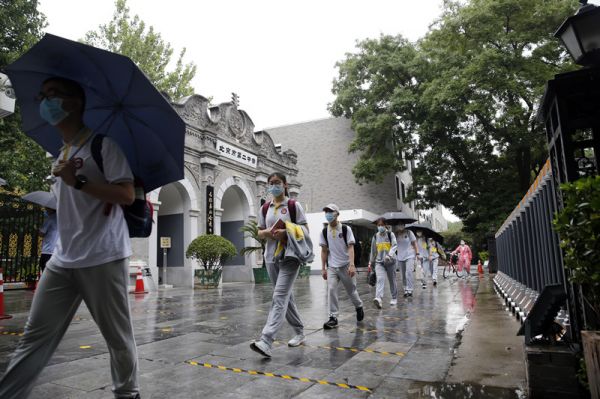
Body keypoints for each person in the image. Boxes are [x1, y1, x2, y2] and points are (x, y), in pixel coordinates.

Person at [0, 77, 140, 399]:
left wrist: (77, 182)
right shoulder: (60, 153)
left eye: (53, 95)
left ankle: (128, 393)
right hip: (63, 258)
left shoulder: (103, 146)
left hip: (103, 256)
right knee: (34, 336)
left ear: (75, 102)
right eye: (43, 95)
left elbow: (127, 194)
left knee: (117, 338)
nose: (46, 102)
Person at [250, 172, 311, 358]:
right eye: (271, 183)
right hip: (271, 257)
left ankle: (266, 340)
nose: (274, 186)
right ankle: (300, 332)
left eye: (277, 182)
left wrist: (286, 231)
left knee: (279, 296)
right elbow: (259, 232)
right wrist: (268, 232)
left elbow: (305, 229)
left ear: (285, 185)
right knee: (285, 296)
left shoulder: (293, 205)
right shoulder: (265, 208)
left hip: (290, 256)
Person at [320, 204, 364, 329]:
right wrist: (323, 268)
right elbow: (324, 251)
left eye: (330, 211)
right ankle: (333, 317)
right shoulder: (324, 231)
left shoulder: (345, 229)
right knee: (332, 289)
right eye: (326, 211)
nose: (328, 214)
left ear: (337, 214)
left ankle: (359, 306)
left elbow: (351, 247)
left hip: (346, 265)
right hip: (332, 266)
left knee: (351, 291)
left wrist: (352, 264)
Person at [368, 217, 398, 308]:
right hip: (379, 262)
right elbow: (373, 251)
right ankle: (379, 298)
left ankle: (394, 297)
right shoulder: (375, 236)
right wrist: (371, 263)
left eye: (381, 225)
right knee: (380, 279)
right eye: (378, 225)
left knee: (391, 280)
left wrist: (389, 255)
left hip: (390, 262)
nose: (380, 226)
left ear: (385, 225)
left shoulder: (390, 234)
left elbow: (394, 245)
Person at [395, 223, 420, 297]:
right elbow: (393, 245)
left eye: (401, 224)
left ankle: (410, 289)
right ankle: (405, 288)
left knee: (409, 272)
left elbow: (415, 243)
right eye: (399, 224)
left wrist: (417, 253)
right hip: (400, 256)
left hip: (410, 255)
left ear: (404, 225)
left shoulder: (409, 232)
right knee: (403, 275)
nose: (400, 225)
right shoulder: (395, 234)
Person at [38, 207, 58, 273]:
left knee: (45, 271)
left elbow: (41, 233)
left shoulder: (50, 218)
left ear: (51, 208)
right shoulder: (63, 219)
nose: (46, 210)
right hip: (58, 251)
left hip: (48, 251)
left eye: (47, 208)